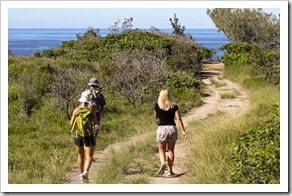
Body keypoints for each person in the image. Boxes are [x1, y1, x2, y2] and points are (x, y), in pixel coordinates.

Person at [154, 89, 187, 176]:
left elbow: (155, 117)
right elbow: (178, 119)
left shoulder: (157, 106)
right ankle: (170, 171)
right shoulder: (174, 106)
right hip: (172, 128)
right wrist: (183, 130)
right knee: (171, 150)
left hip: (161, 128)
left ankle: (162, 162)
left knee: (161, 149)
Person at [70, 91, 98, 181]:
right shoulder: (92, 111)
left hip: (78, 135)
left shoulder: (76, 110)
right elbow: (95, 123)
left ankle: (81, 174)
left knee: (80, 155)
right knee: (89, 155)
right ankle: (86, 171)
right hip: (88, 134)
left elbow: (71, 124)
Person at [85, 78, 106, 142]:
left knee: (85, 135)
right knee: (94, 136)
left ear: (90, 85)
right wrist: (98, 115)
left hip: (85, 117)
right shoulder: (99, 94)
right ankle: (91, 149)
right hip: (96, 118)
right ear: (96, 86)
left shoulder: (84, 93)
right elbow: (102, 108)